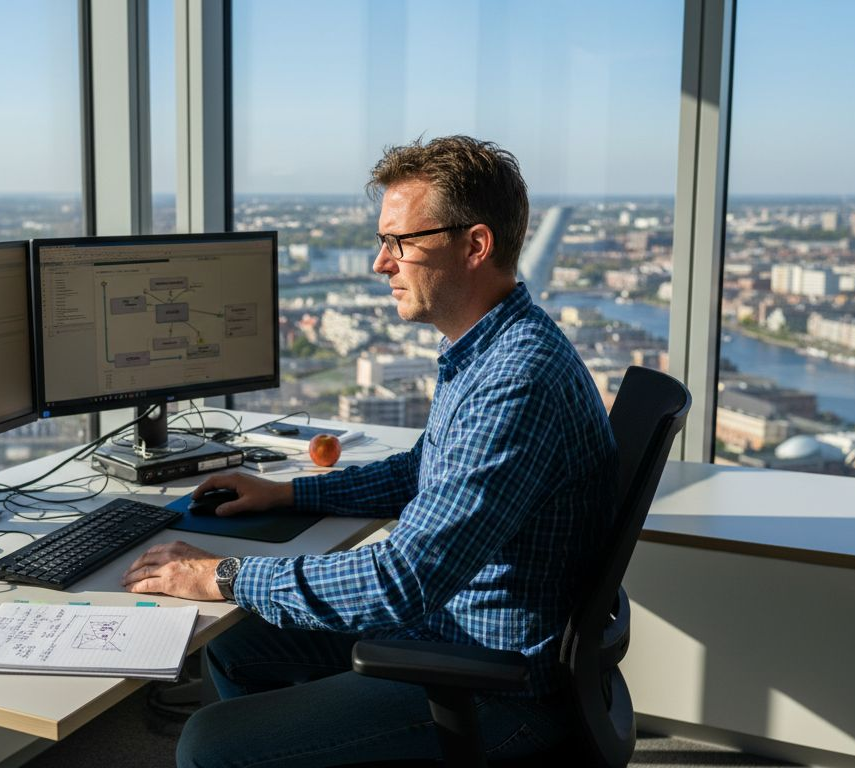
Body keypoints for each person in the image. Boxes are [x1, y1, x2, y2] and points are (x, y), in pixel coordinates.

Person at [122, 135, 617, 767]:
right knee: (235, 644)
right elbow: (423, 471)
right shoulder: (490, 346)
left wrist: (223, 574)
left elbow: (402, 581)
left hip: (495, 683)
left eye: (400, 242)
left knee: (209, 744)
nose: (381, 263)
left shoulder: (516, 381)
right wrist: (290, 492)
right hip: (457, 630)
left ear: (475, 245)